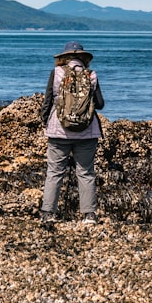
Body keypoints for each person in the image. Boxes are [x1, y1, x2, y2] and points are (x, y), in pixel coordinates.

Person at [39, 41, 105, 227]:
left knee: (54, 172)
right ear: (84, 58)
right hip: (87, 131)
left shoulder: (57, 73)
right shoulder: (91, 74)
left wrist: (46, 122)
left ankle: (48, 213)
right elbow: (100, 104)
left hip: (58, 131)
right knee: (85, 173)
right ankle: (89, 216)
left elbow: (47, 101)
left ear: (63, 57)